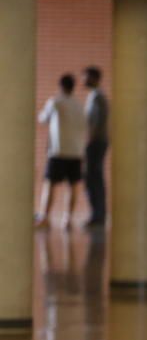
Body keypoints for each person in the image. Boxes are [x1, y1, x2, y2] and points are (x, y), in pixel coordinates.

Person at [37, 74, 88, 230]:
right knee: (73, 185)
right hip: (76, 151)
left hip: (58, 151)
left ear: (60, 86)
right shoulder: (80, 106)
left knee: (49, 184)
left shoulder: (55, 102)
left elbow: (42, 118)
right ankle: (68, 220)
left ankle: (45, 217)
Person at [82, 66, 110, 227]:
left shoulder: (98, 96)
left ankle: (98, 215)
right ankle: (96, 214)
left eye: (86, 77)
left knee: (93, 178)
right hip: (95, 141)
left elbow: (97, 122)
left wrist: (89, 140)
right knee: (92, 177)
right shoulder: (94, 96)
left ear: (94, 78)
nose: (84, 80)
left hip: (96, 142)